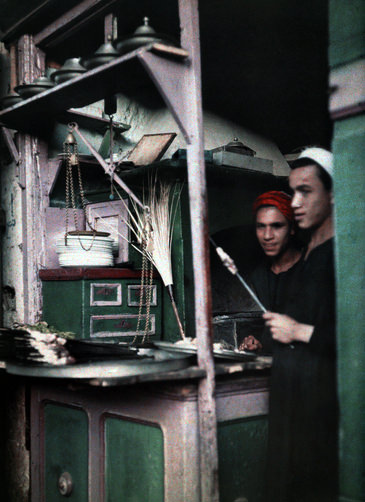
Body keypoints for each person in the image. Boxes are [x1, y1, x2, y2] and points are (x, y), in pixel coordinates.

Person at [262, 147, 338, 502]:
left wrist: (298, 331)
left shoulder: (346, 253)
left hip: (322, 412)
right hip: (291, 407)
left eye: (305, 191)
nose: (294, 202)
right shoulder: (308, 252)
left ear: (334, 193)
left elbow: (357, 337)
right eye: (292, 191)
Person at [241, 190, 302, 352]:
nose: (267, 236)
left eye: (276, 226)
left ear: (292, 228)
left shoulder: (310, 267)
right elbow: (273, 331)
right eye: (261, 226)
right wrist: (259, 345)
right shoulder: (260, 275)